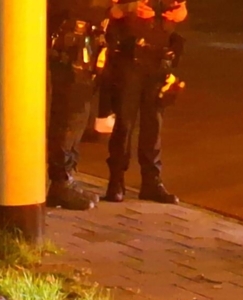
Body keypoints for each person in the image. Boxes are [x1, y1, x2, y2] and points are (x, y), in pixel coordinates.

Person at [104, 0, 188, 204]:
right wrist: (128, 9)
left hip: (160, 58)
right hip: (129, 58)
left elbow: (182, 9)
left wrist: (180, 13)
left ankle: (151, 181)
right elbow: (108, 11)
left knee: (153, 122)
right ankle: (116, 181)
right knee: (125, 122)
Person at [45, 0, 112, 211]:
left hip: (87, 45)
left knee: (78, 115)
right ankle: (60, 181)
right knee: (68, 116)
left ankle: (67, 178)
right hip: (72, 46)